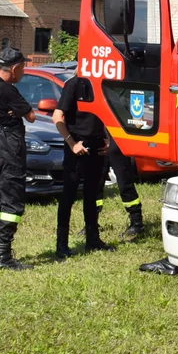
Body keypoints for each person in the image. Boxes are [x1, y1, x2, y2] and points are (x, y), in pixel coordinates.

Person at [0, 47, 36, 270]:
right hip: (10, 149)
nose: (23, 72)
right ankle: (4, 257)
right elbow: (30, 116)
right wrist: (16, 113)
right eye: (22, 67)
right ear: (14, 68)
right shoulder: (8, 90)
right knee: (12, 203)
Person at [52, 76, 111, 258]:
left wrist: (107, 138)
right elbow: (57, 116)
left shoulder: (100, 83)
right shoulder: (74, 84)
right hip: (77, 146)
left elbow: (106, 113)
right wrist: (72, 143)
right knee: (68, 195)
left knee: (92, 195)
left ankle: (92, 240)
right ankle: (61, 245)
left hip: (97, 146)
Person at [101, 136, 146, 241]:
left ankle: (137, 222)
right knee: (95, 184)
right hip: (98, 140)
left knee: (124, 181)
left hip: (116, 140)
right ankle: (91, 223)